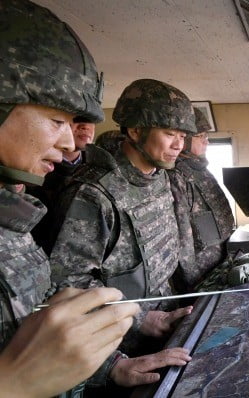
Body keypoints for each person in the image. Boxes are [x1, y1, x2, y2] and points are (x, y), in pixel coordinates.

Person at [0, 1, 140, 396]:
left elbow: (34, 312)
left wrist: (111, 367)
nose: (67, 143)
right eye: (57, 121)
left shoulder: (13, 213)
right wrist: (11, 383)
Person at [49, 79, 197, 392]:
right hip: (115, 353)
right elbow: (67, 286)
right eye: (169, 133)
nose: (179, 145)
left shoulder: (161, 177)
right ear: (135, 131)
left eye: (183, 136)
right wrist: (141, 317)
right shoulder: (93, 192)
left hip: (163, 328)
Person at [168, 107, 234, 290]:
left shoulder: (199, 169)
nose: (207, 142)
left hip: (217, 262)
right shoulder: (176, 176)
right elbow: (182, 237)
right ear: (186, 138)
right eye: (201, 136)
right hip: (199, 275)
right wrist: (193, 284)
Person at [28, 116, 97, 254]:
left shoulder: (99, 167)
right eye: (77, 119)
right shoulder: (31, 164)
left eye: (91, 120)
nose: (85, 126)